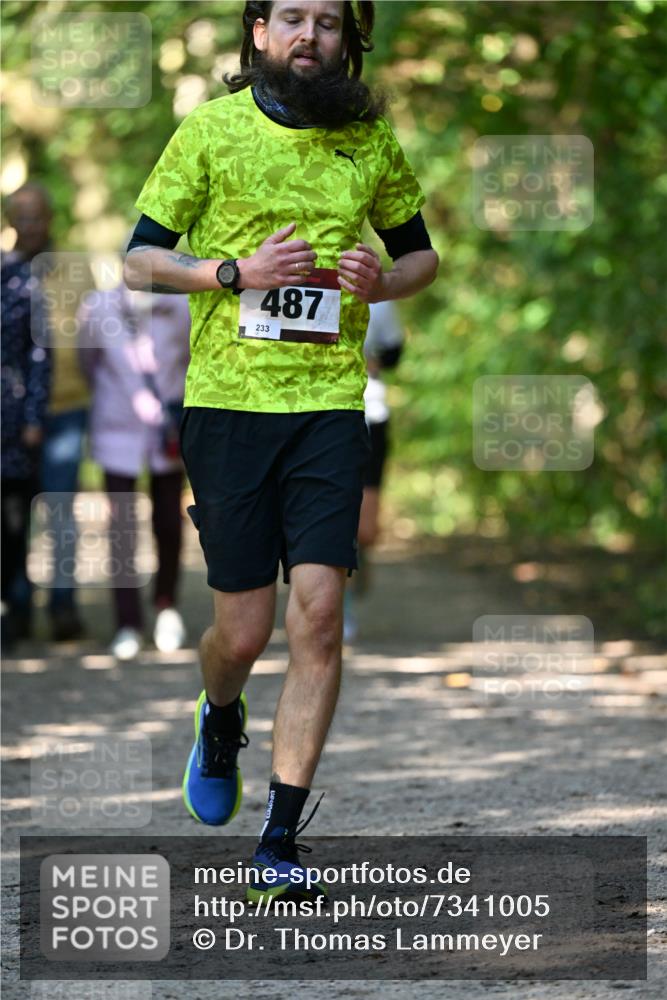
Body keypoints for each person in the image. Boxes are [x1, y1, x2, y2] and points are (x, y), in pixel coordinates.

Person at [125, 0, 438, 903]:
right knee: (243, 631)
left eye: (328, 22)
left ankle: (278, 839)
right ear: (258, 32)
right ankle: (219, 714)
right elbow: (139, 259)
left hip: (329, 409)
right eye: (291, 18)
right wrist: (232, 273)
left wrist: (384, 279)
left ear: (349, 39)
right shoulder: (212, 131)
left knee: (316, 615)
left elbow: (421, 259)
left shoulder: (368, 142)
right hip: (227, 408)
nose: (310, 35)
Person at [77, 282, 191, 660]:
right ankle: (127, 623)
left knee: (169, 525)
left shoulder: (182, 305)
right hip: (117, 427)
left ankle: (166, 607)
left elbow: (194, 360)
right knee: (121, 528)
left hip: (167, 431)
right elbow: (87, 362)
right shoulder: (98, 306)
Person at [4, 184, 92, 642]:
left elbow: (99, 339)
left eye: (38, 217)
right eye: (23, 217)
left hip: (67, 409)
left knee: (60, 511)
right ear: (12, 220)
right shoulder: (4, 273)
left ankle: (63, 607)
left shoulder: (77, 272)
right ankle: (16, 606)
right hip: (13, 419)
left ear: (50, 219)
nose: (31, 226)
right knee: (15, 514)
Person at [343, 298, 404, 642]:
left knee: (365, 529)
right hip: (318, 416)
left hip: (371, 414)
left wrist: (371, 360)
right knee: (330, 518)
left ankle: (356, 558)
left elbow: (395, 352)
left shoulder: (378, 298)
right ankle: (339, 604)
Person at [1, 232, 51, 648]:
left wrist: (34, 417)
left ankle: (14, 610)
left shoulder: (21, 282)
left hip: (13, 427)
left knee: (13, 525)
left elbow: (39, 354)